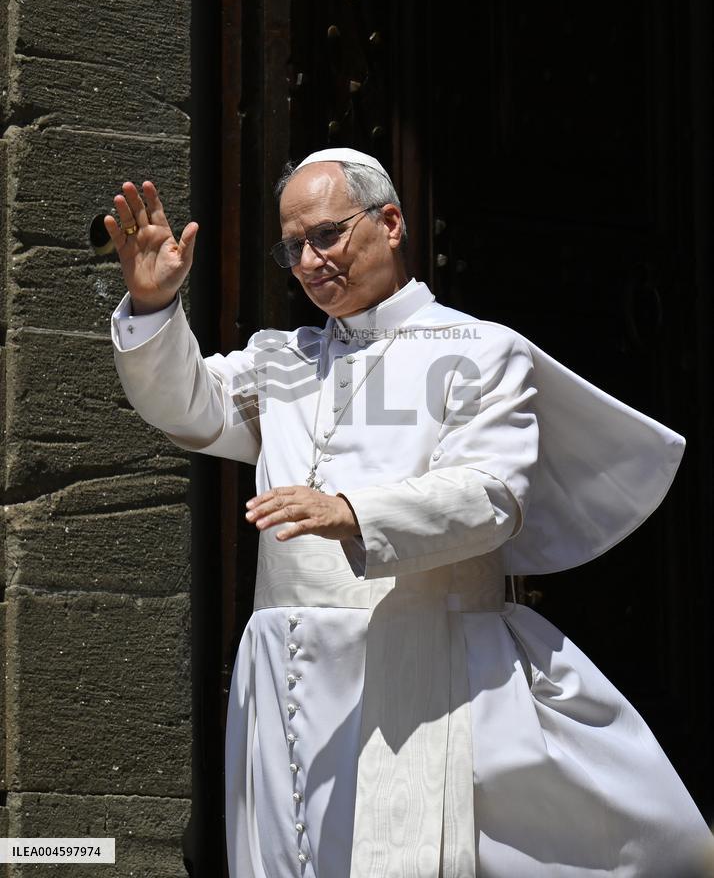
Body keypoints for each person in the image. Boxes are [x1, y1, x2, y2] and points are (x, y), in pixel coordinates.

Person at [105, 148, 714, 878]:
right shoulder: (281, 359)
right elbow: (188, 408)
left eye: (326, 235)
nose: (308, 261)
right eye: (292, 247)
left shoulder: (482, 350)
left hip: (426, 660)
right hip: (286, 669)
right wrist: (152, 306)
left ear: (390, 222)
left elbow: (493, 493)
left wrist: (352, 512)